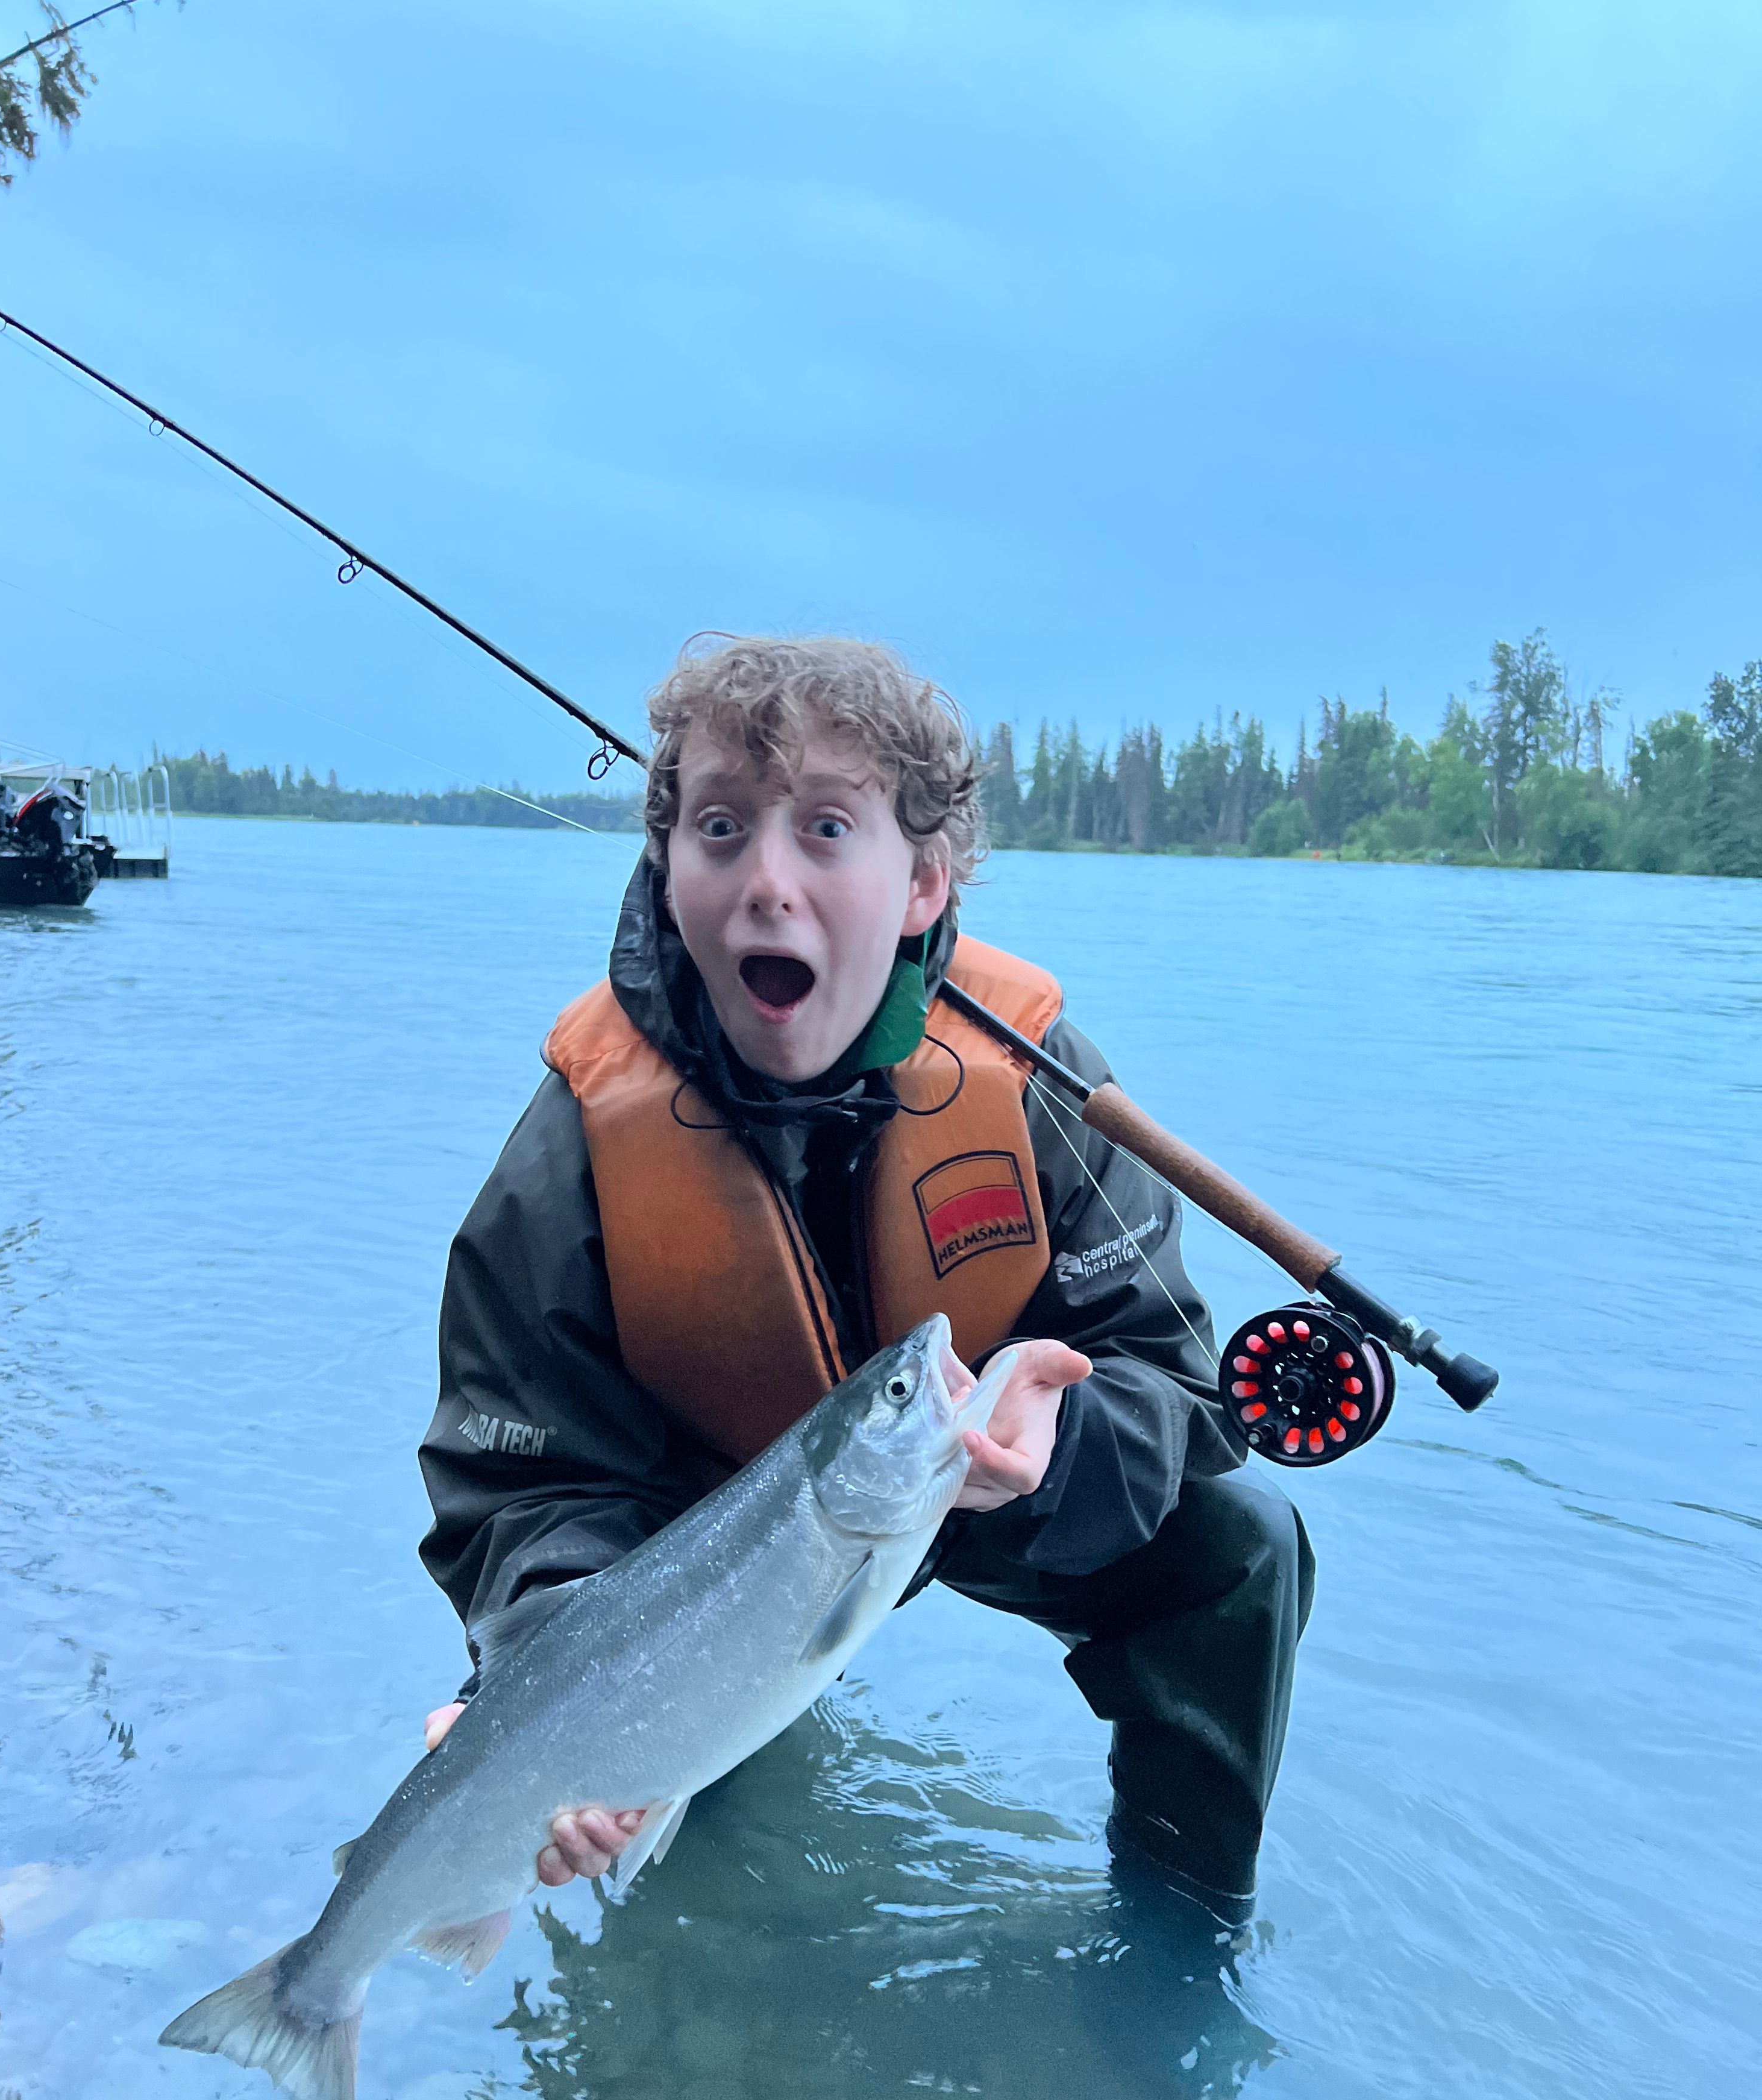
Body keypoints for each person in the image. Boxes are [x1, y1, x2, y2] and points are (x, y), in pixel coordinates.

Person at [418, 636, 1312, 1925]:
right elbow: (517, 1483)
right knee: (683, 1875)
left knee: (1246, 1549)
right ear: (668, 873)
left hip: (972, 1483)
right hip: (695, 1546)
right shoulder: (572, 1143)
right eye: (719, 829)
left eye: (828, 829)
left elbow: (1180, 1386)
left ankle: (1183, 1929)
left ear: (922, 881)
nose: (768, 881)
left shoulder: (1038, 1079)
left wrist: (1063, 1449)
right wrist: (561, 1675)